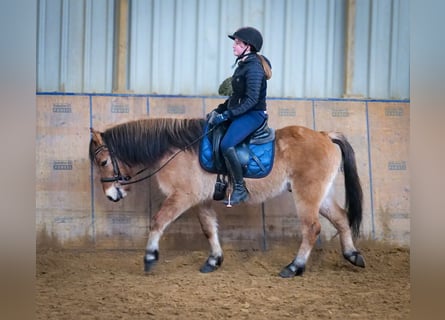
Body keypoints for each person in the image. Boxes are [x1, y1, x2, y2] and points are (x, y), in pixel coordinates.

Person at [208, 26, 272, 205]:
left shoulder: (254, 68)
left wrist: (228, 114)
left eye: (237, 43)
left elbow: (251, 100)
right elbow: (236, 97)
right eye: (234, 43)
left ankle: (239, 188)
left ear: (248, 46)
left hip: (254, 114)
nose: (233, 46)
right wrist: (219, 110)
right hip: (243, 111)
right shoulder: (243, 65)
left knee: (227, 144)